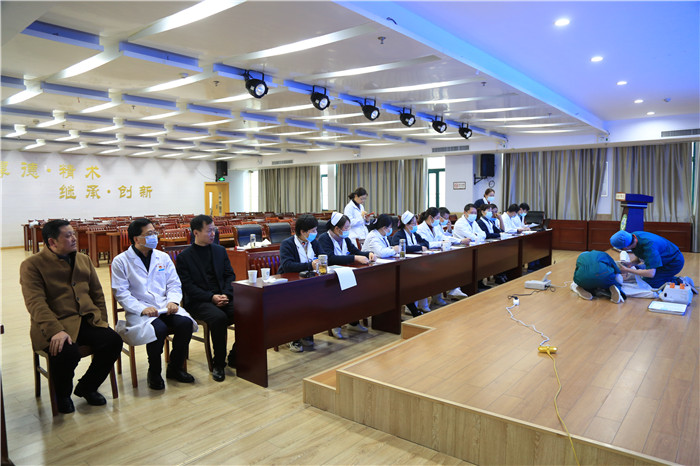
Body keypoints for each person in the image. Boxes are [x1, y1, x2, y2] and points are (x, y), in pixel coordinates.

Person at [20, 220, 122, 414]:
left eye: (73, 234)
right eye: (68, 236)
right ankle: (62, 395)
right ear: (52, 242)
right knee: (66, 352)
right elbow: (35, 303)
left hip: (87, 320)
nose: (74, 238)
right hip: (54, 324)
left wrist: (102, 321)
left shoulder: (83, 259)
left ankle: (87, 387)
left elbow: (97, 294)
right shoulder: (32, 265)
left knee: (113, 341)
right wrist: (55, 330)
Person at [111, 218, 197, 390]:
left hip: (165, 306)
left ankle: (175, 367)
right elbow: (121, 293)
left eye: (154, 233)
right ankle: (154, 372)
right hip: (140, 310)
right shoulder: (121, 261)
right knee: (158, 329)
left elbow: (174, 283)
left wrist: (173, 300)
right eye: (149, 234)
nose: (154, 237)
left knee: (185, 324)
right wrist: (142, 308)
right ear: (136, 239)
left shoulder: (162, 257)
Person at [176, 215, 236, 382]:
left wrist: (226, 294)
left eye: (214, 230)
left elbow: (229, 275)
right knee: (219, 318)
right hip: (199, 301)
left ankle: (236, 355)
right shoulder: (184, 257)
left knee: (249, 310)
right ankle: (218, 364)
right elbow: (188, 287)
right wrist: (211, 297)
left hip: (222, 296)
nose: (213, 234)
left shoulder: (219, 250)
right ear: (196, 232)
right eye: (209, 231)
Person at [317, 212, 374, 338]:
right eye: (346, 227)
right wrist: (354, 258)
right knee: (339, 295)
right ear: (337, 229)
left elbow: (355, 251)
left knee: (357, 291)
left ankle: (353, 322)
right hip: (329, 277)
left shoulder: (344, 238)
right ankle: (335, 324)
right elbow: (330, 258)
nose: (348, 230)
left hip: (345, 273)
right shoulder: (324, 239)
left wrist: (368, 254)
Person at [278, 215, 322, 352]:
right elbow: (287, 266)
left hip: (309, 281)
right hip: (289, 284)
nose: (316, 233)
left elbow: (322, 256)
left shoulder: (313, 243)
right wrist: (310, 265)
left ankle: (306, 332)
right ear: (303, 232)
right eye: (313, 230)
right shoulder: (288, 244)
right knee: (297, 301)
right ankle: (293, 337)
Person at [416, 207, 469, 303]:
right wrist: (440, 243)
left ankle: (451, 290)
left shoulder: (435, 227)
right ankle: (449, 291)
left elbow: (443, 237)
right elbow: (426, 244)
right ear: (430, 217)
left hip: (436, 256)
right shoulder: (420, 229)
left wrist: (460, 241)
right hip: (425, 258)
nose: (438, 220)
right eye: (437, 218)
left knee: (453, 263)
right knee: (442, 268)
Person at [610, 230, 687, 289]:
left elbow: (651, 273)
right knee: (640, 270)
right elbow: (640, 254)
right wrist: (631, 264)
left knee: (650, 283)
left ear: (625, 247)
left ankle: (678, 281)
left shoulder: (649, 247)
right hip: (662, 259)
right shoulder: (633, 237)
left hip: (673, 263)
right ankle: (664, 277)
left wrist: (628, 270)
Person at [391, 211, 431, 316]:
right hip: (403, 266)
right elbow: (401, 248)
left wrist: (419, 246)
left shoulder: (414, 234)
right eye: (413, 223)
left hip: (414, 263)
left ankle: (420, 304)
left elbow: (426, 243)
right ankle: (413, 306)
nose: (415, 225)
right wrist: (419, 247)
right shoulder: (399, 235)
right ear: (406, 224)